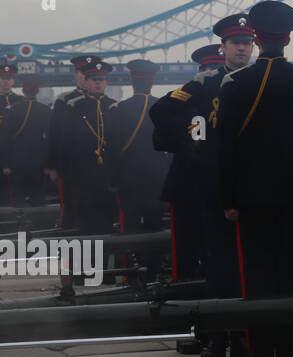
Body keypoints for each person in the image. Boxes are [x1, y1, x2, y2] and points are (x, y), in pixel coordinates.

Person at [217, 0, 293, 357]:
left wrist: (229, 200)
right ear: (289, 38)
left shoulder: (235, 84)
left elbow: (225, 147)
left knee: (257, 280)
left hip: (251, 200)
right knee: (291, 280)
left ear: (257, 38)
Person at [151, 19, 254, 357]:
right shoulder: (205, 83)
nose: (242, 47)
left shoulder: (259, 82)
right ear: (223, 47)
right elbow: (162, 111)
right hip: (213, 188)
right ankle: (215, 337)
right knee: (219, 266)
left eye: (247, 42)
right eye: (235, 42)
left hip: (250, 188)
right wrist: (192, 141)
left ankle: (243, 336)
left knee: (248, 267)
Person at [47, 59, 117, 235]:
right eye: (94, 80)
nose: (98, 83)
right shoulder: (74, 107)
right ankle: (83, 260)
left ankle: (105, 259)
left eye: (101, 80)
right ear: (86, 82)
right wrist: (61, 169)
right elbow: (63, 140)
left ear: (107, 82)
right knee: (83, 221)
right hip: (82, 173)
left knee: (107, 219)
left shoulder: (114, 106)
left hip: (107, 173)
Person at [107, 60, 169, 234]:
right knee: (155, 227)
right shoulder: (163, 107)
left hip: (128, 180)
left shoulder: (119, 109)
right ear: (152, 81)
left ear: (132, 81)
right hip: (157, 179)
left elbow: (113, 148)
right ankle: (154, 261)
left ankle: (128, 259)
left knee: (128, 226)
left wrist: (113, 180)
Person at [1, 78, 52, 206]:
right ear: (38, 91)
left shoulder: (11, 110)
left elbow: (5, 138)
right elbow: (50, 140)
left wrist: (6, 164)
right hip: (39, 162)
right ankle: (39, 225)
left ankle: (19, 224)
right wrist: (49, 164)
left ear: (23, 91)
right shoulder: (46, 110)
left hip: (17, 161)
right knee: (38, 198)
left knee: (18, 198)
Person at [0, 63, 19, 207]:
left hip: (15, 153)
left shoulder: (21, 100)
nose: (5, 81)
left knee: (16, 197)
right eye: (2, 78)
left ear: (13, 80)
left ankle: (20, 230)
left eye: (9, 78)